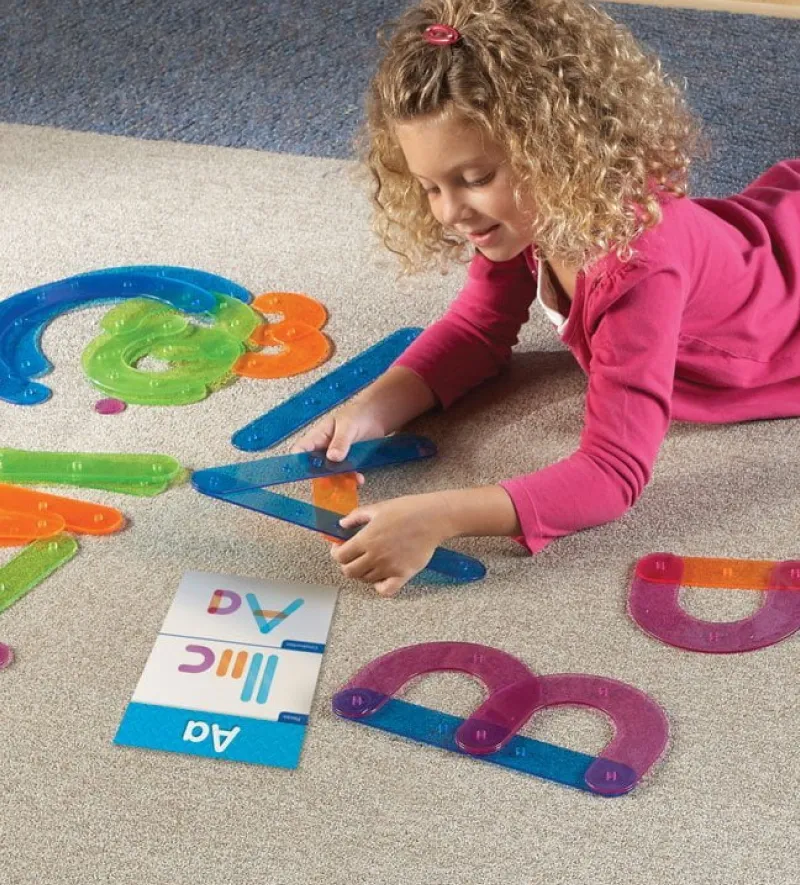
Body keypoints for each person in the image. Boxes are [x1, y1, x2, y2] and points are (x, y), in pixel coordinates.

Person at [293, 0, 800, 597]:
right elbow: (478, 329)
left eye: (475, 179)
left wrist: (440, 516)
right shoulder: (529, 214)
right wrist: (371, 411)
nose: (451, 212)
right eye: (430, 186)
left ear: (558, 151)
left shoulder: (639, 267)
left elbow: (612, 473)